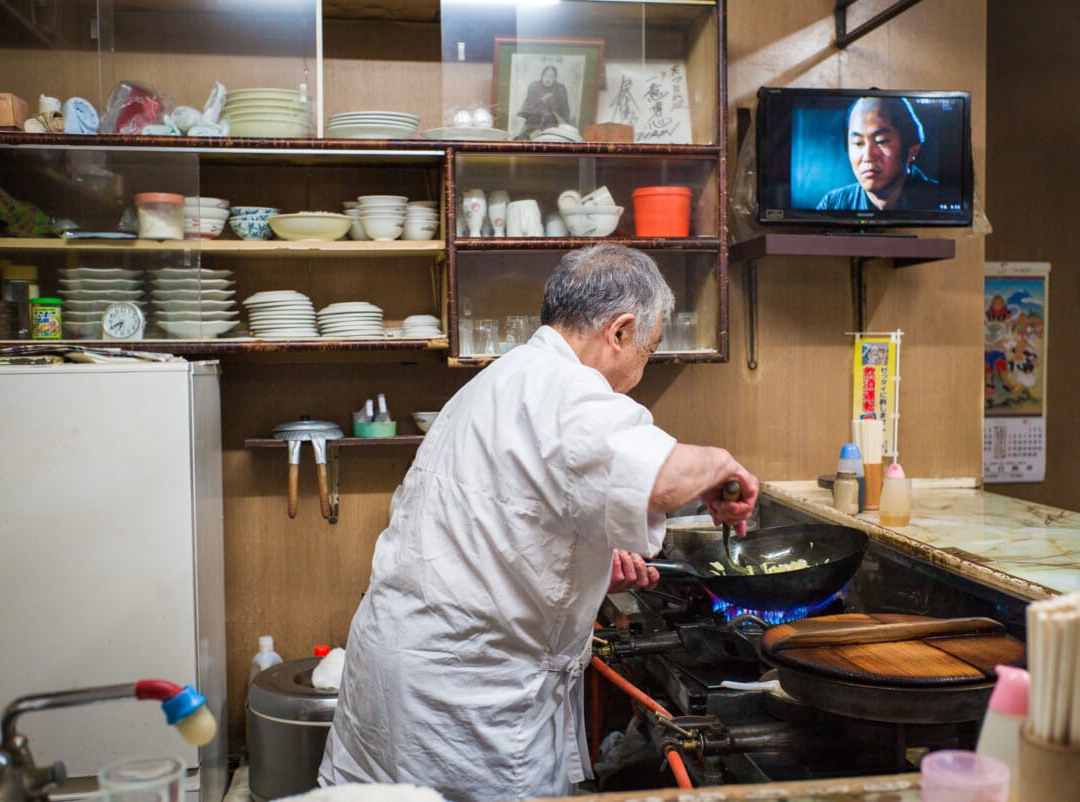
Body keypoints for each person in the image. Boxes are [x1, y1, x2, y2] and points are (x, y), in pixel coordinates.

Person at [318, 243, 759, 802]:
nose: (641, 370)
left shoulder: (500, 379)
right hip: (466, 704)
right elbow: (662, 478)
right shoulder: (566, 388)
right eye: (648, 349)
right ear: (619, 333)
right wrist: (722, 466)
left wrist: (589, 574)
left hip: (403, 674)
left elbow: (505, 529)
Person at [816, 96, 941, 211]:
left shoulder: (940, 200)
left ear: (912, 149)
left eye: (881, 141)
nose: (868, 156)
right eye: (858, 143)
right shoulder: (833, 204)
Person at [517, 64, 571, 139]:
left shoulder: (560, 89)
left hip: (553, 124)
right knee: (521, 140)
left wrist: (552, 103)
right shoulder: (534, 86)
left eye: (551, 76)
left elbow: (565, 110)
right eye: (545, 75)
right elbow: (529, 108)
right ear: (541, 75)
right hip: (533, 121)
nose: (548, 78)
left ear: (555, 78)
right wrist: (542, 100)